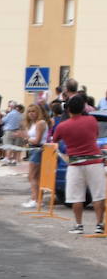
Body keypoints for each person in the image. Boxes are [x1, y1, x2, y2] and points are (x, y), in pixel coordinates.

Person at [51, 94, 105, 235]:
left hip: (75, 162)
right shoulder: (92, 120)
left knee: (76, 196)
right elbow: (95, 134)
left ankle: (79, 225)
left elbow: (55, 139)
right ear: (83, 107)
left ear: (68, 109)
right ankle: (99, 224)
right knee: (98, 194)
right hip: (94, 160)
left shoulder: (63, 126)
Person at [20, 102, 49, 209]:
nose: (31, 114)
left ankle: (34, 199)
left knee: (32, 176)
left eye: (33, 111)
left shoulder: (40, 123)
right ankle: (37, 199)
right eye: (29, 112)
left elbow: (37, 140)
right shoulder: (33, 123)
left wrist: (27, 138)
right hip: (34, 150)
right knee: (36, 177)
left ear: (38, 112)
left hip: (38, 150)